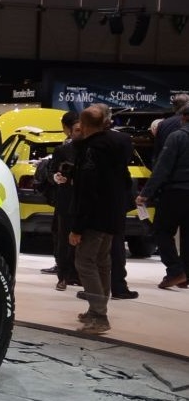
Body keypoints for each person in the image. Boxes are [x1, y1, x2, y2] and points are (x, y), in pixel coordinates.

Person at [69, 104, 131, 334]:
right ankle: (97, 308)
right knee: (102, 261)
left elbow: (87, 191)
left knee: (84, 262)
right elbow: (126, 181)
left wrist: (77, 227)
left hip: (94, 216)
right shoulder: (120, 144)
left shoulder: (91, 150)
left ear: (83, 125)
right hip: (113, 213)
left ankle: (99, 315)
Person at [136, 102, 189, 290]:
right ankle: (185, 275)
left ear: (184, 117)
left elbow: (162, 168)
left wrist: (146, 193)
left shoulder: (177, 137)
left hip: (176, 192)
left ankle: (175, 271)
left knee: (161, 231)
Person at [37, 111, 80, 289]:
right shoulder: (62, 150)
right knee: (63, 238)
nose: (79, 133)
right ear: (70, 131)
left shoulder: (92, 149)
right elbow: (52, 172)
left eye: (82, 129)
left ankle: (78, 274)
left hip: (85, 200)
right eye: (76, 130)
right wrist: (56, 177)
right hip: (66, 199)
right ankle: (63, 276)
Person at [102, 105, 140, 300]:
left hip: (94, 199)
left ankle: (96, 289)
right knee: (116, 244)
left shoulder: (86, 141)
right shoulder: (123, 139)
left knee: (93, 247)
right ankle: (118, 286)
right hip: (117, 198)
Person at [153, 94, 189, 164]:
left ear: (173, 107)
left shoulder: (162, 124)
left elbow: (157, 151)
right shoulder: (185, 122)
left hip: (166, 164)